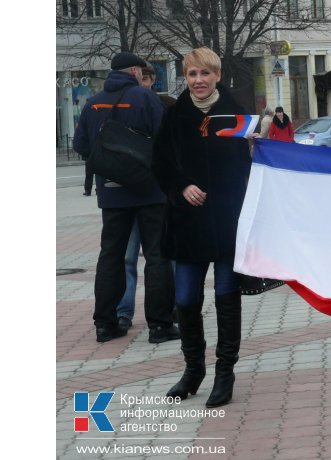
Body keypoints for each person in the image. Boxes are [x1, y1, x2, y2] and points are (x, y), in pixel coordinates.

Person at [152, 47, 252, 408]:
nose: (198, 81)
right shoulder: (175, 115)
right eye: (192, 74)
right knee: (185, 300)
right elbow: (160, 163)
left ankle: (225, 373)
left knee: (226, 297)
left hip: (226, 222)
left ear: (217, 76)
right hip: (187, 224)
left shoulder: (237, 115)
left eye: (204, 74)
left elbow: (250, 169)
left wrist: (257, 149)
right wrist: (181, 185)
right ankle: (193, 370)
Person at [73, 51, 180, 343]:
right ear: (134, 71)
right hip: (150, 191)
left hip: (111, 194)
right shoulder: (146, 99)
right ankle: (160, 325)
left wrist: (111, 170)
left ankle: (106, 324)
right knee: (157, 256)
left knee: (111, 256)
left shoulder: (93, 104)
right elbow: (165, 142)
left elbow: (81, 145)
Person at [114, 61, 179, 334]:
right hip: (130, 191)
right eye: (144, 77)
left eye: (151, 78)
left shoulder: (164, 103)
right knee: (128, 257)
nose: (146, 82)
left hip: (154, 191)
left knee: (163, 256)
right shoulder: (122, 104)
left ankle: (170, 305)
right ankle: (124, 311)